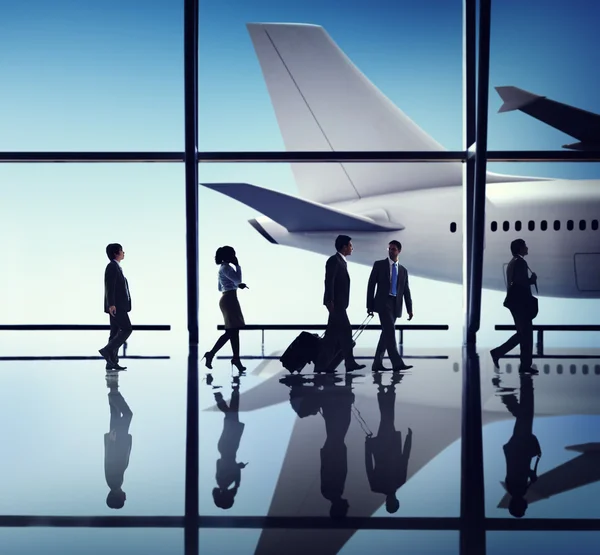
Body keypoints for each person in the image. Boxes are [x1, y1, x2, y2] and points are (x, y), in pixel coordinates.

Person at [315, 235, 365, 373]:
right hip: (335, 305)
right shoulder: (334, 261)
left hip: (340, 304)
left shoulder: (341, 261)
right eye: (350, 245)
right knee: (346, 331)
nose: (352, 248)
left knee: (331, 337)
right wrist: (330, 301)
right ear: (344, 247)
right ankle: (349, 363)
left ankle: (321, 365)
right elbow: (329, 281)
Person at [491, 239, 538, 374]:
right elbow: (521, 282)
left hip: (515, 303)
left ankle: (502, 355)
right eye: (525, 246)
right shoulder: (521, 263)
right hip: (521, 304)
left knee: (523, 334)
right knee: (526, 333)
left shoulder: (513, 263)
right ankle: (500, 354)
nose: (527, 247)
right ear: (520, 249)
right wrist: (532, 280)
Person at [366, 240, 413, 371]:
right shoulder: (379, 265)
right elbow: (371, 286)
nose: (391, 251)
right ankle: (397, 363)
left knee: (386, 334)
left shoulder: (403, 270)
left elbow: (406, 291)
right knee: (390, 333)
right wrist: (369, 306)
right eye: (389, 249)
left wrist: (410, 309)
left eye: (393, 249)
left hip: (395, 305)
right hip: (383, 303)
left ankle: (377, 363)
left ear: (399, 251)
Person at [203, 246, 248, 373]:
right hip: (230, 300)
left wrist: (236, 285)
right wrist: (238, 266)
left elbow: (221, 287)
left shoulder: (222, 268)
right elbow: (238, 280)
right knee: (231, 332)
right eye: (233, 254)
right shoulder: (227, 267)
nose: (234, 256)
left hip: (227, 298)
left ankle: (236, 359)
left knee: (234, 331)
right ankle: (211, 354)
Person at [99, 243, 131, 371]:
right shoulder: (112, 267)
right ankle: (107, 350)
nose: (124, 253)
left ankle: (111, 361)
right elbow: (109, 286)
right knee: (127, 329)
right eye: (122, 251)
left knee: (115, 333)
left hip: (119, 306)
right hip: (117, 306)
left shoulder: (117, 267)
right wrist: (111, 304)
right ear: (116, 253)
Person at [104, 375, 133, 509]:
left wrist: (112, 442)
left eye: (123, 500)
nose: (125, 498)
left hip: (117, 441)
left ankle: (114, 390)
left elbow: (111, 461)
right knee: (116, 414)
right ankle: (112, 386)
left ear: (117, 497)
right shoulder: (115, 483)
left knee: (127, 414)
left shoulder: (114, 482)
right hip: (117, 440)